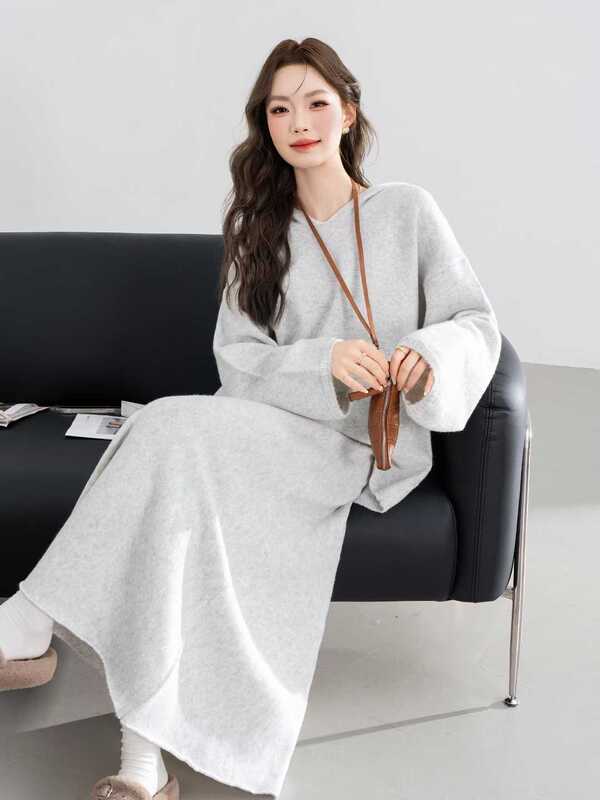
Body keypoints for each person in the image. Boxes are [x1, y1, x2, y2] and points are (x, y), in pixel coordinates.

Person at [0, 37, 501, 800]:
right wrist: (324, 362)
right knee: (172, 483)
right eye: (279, 109)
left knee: (165, 430)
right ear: (264, 124)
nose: (299, 122)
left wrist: (428, 354)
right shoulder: (257, 229)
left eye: (316, 103)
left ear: (348, 112)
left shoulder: (406, 212)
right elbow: (238, 360)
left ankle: (28, 621)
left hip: (359, 448)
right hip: (270, 428)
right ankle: (142, 763)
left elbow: (475, 322)